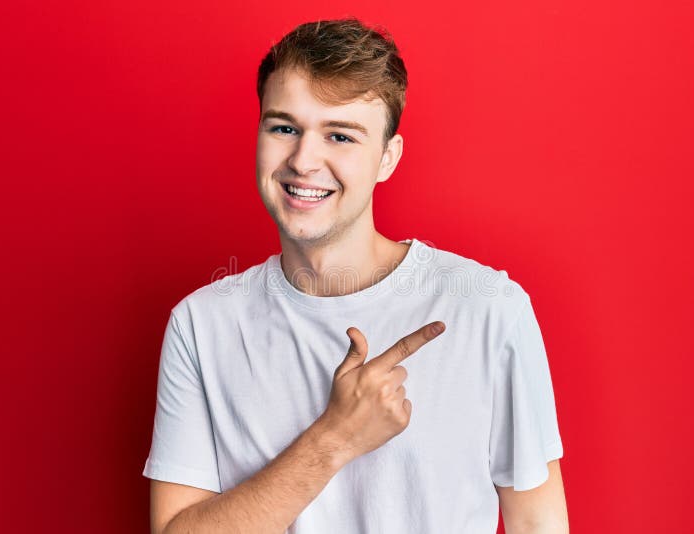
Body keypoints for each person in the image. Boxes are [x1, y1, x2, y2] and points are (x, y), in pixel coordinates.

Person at [142, 17, 569, 534]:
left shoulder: (488, 309)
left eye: (340, 136)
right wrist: (336, 437)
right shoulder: (200, 325)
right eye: (284, 128)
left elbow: (537, 525)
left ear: (388, 158)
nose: (304, 160)